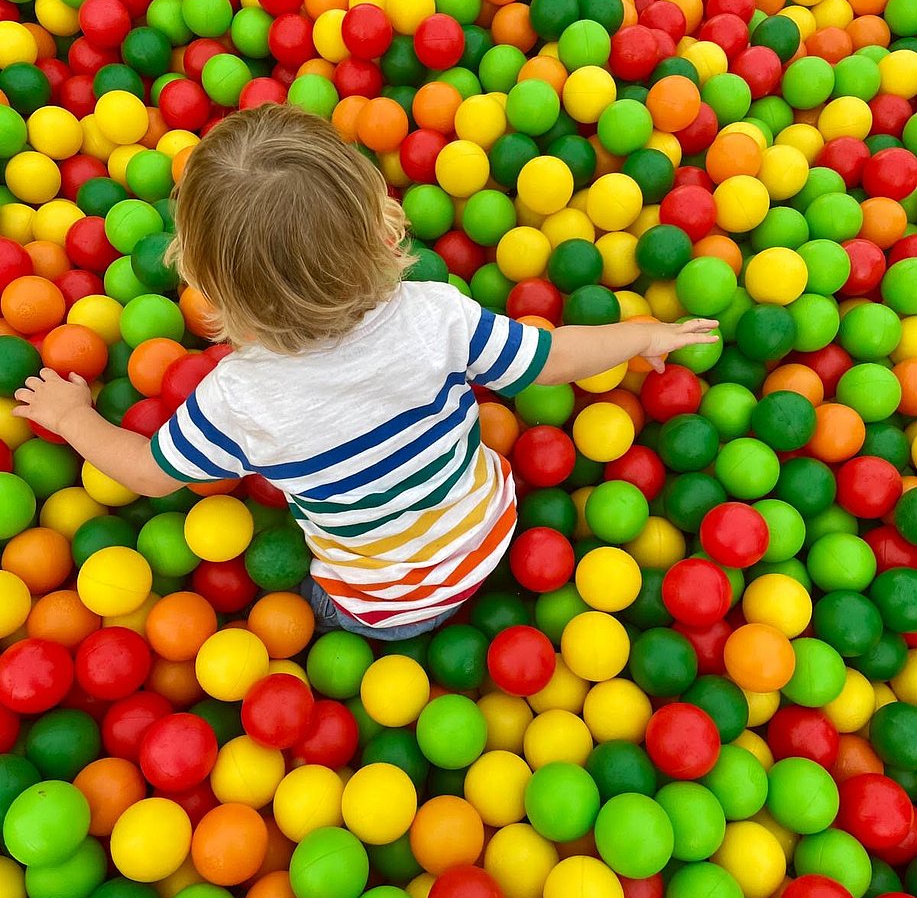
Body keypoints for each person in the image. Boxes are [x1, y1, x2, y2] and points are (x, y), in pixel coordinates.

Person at [14, 105, 718, 641]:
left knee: (288, 586)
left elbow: (145, 472)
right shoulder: (436, 315)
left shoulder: (238, 398)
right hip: (493, 533)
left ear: (214, 294)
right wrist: (639, 334)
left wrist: (71, 415)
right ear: (383, 230)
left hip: (384, 608)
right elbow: (555, 357)